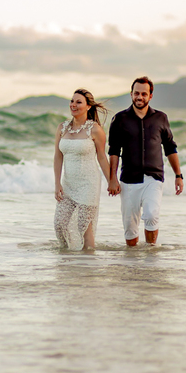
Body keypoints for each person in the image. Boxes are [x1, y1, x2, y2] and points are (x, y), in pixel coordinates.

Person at [107, 76, 182, 246]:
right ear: (131, 94)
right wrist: (112, 178)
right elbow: (113, 151)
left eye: (143, 94)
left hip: (153, 178)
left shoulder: (161, 118)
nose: (139, 97)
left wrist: (178, 175)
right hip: (128, 179)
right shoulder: (119, 119)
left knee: (151, 215)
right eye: (136, 93)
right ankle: (133, 263)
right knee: (130, 227)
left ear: (150, 96)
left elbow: (170, 148)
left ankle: (150, 254)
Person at [53, 89, 114, 251]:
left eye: (78, 102)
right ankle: (69, 258)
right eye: (72, 101)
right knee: (60, 225)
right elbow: (58, 156)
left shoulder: (95, 130)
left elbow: (102, 157)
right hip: (68, 184)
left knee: (84, 225)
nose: (73, 105)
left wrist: (111, 182)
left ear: (88, 106)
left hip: (89, 184)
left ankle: (87, 267)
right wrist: (57, 183)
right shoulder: (62, 128)